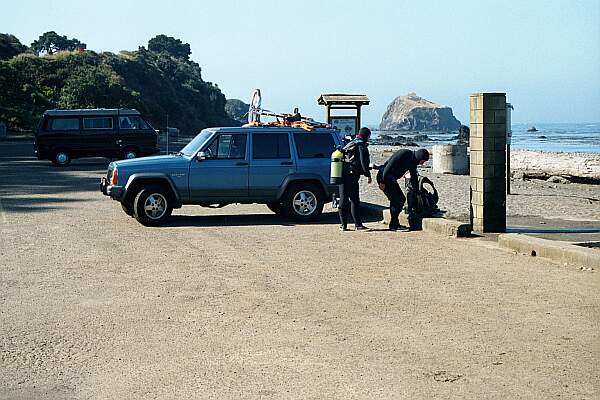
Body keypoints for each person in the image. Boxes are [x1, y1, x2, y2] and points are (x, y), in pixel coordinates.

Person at [376, 148, 430, 231]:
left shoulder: (413, 162)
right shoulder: (405, 153)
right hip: (384, 176)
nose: (422, 163)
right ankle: (394, 225)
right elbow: (389, 166)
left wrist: (417, 193)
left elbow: (414, 178)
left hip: (391, 179)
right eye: (423, 161)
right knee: (398, 200)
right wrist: (382, 182)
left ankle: (394, 224)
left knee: (398, 199)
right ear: (420, 157)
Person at [338, 127, 372, 231]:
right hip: (352, 176)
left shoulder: (351, 143)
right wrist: (368, 174)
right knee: (354, 200)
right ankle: (358, 225)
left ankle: (343, 225)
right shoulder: (360, 145)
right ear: (366, 135)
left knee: (343, 199)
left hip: (342, 174)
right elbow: (362, 161)